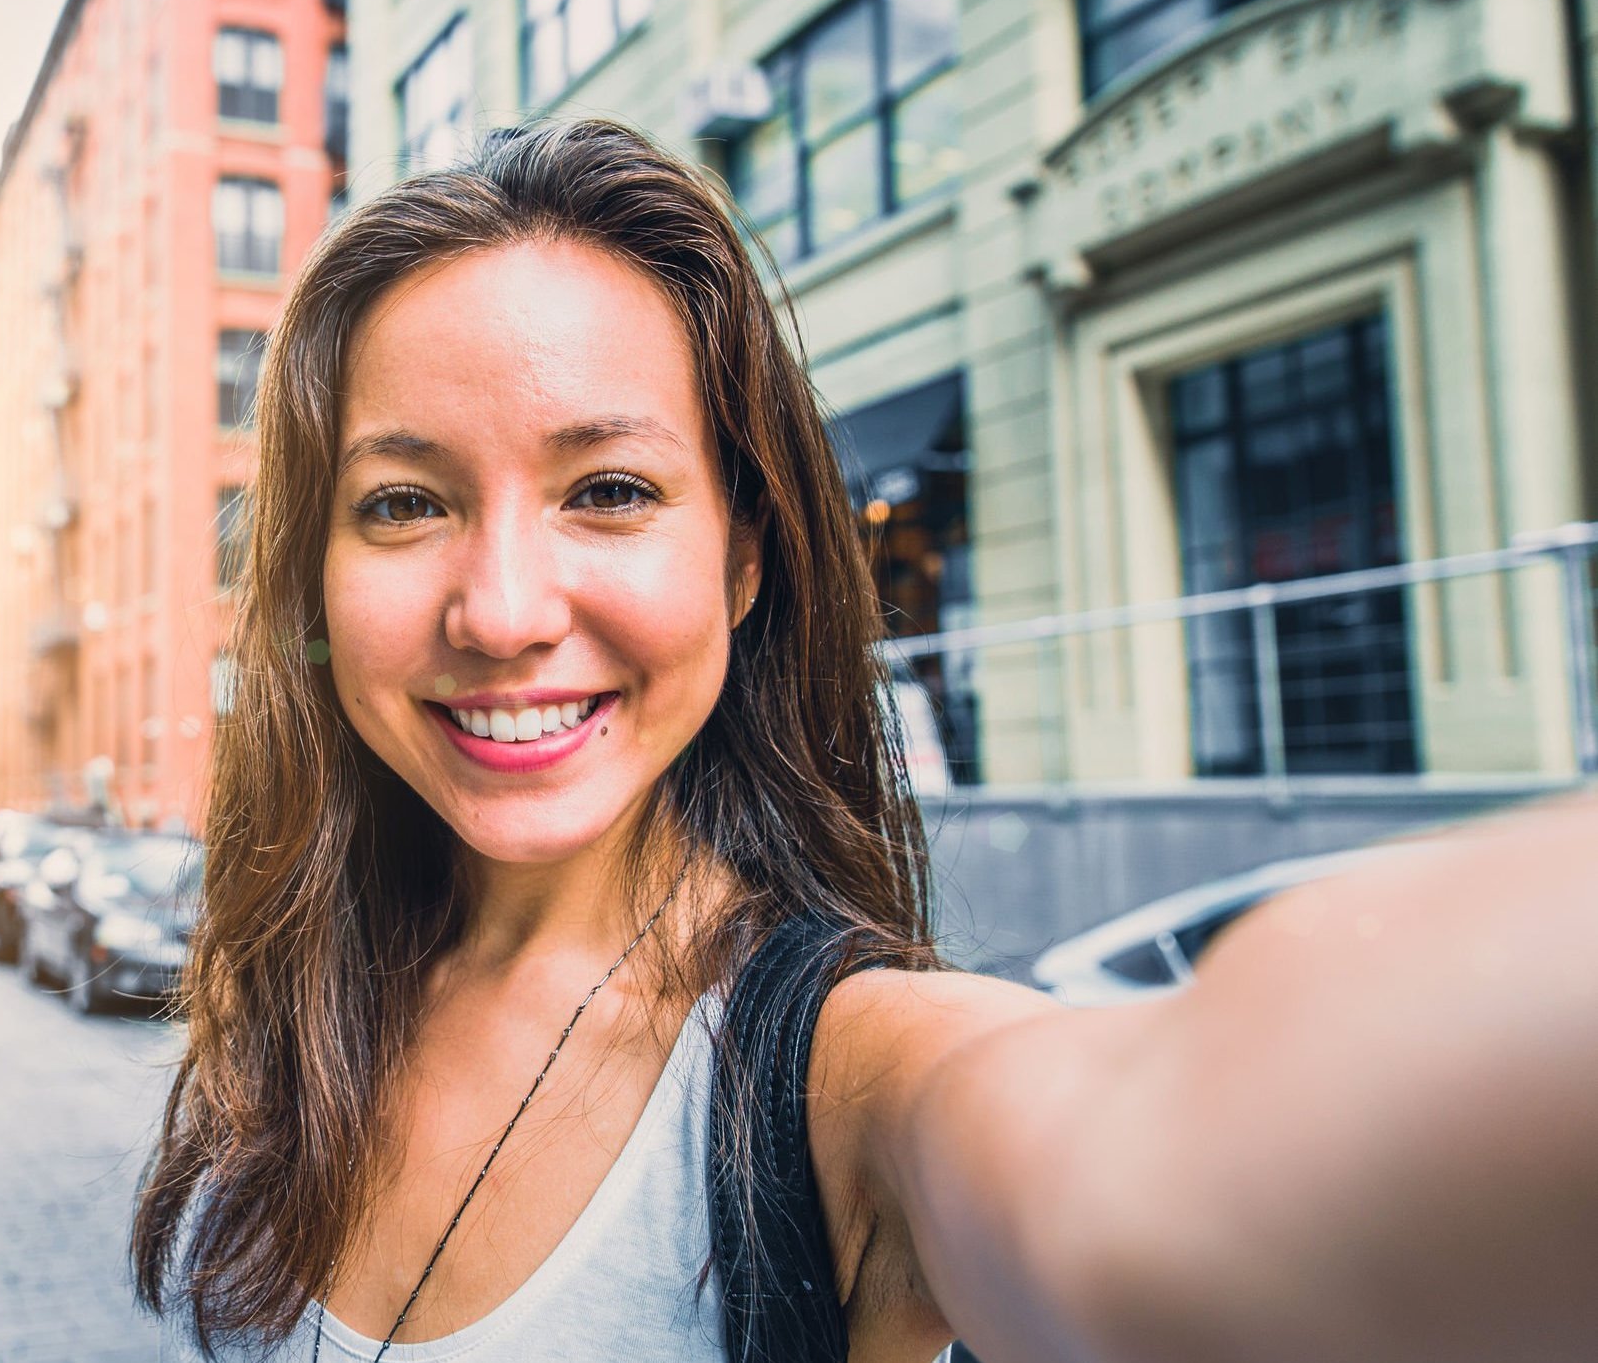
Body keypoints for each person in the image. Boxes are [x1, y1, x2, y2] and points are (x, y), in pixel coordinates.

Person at [131, 118, 1598, 1363]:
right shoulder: (301, 991)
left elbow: (1158, 1170)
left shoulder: (845, 1067)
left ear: (746, 560)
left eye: (610, 490)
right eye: (402, 502)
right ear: (311, 577)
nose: (502, 609)